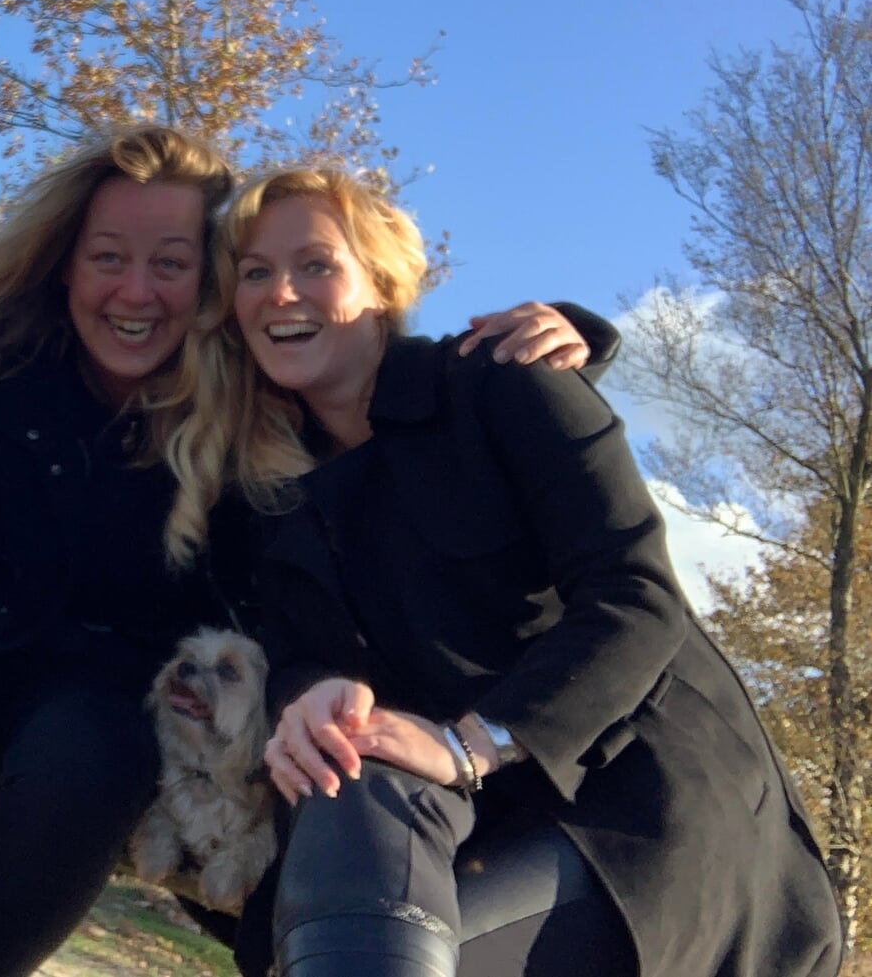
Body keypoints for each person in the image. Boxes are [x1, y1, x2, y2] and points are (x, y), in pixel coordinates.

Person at [0, 126, 604, 977]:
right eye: (108, 257)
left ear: (211, 284)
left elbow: (380, 403)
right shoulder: (2, 366)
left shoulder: (259, 395)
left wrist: (558, 338)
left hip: (110, 682)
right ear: (65, 266)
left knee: (94, 755)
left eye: (170, 263)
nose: (135, 292)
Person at [188, 166, 844, 976]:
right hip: (453, 823)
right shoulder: (265, 499)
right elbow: (296, 654)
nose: (281, 292)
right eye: (255, 272)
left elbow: (635, 596)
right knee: (344, 780)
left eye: (316, 264)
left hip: (636, 807)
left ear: (382, 283)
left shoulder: (503, 380)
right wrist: (315, 691)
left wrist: (477, 743)